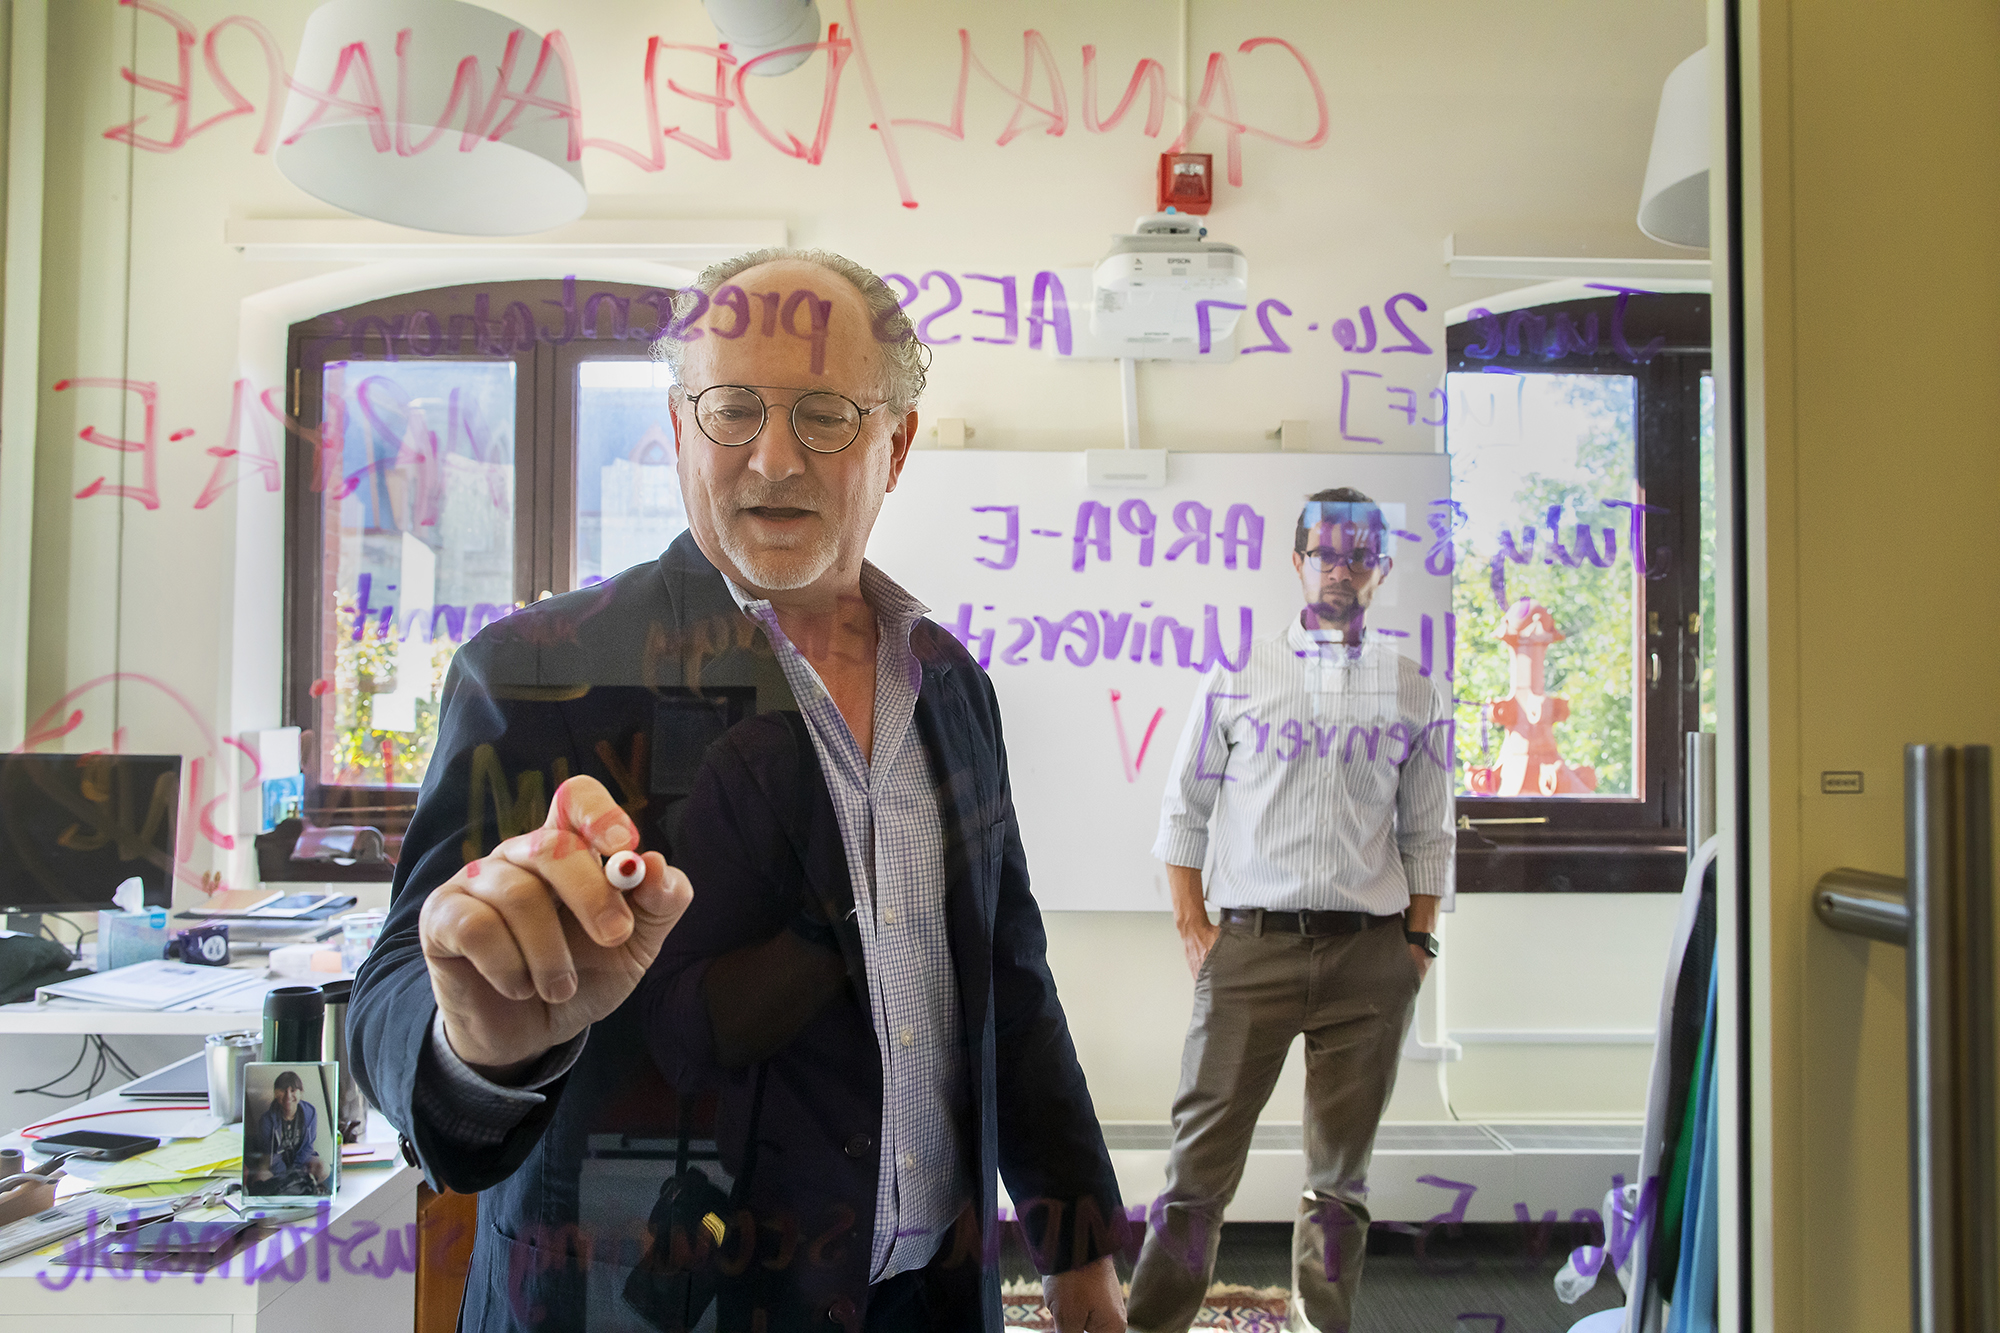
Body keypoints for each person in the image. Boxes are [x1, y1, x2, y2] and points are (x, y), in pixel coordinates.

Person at [348, 248, 1128, 1333]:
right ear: (676, 431)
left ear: (894, 443)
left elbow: (1010, 985)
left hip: (927, 1302)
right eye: (731, 411)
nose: (771, 459)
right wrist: (476, 1043)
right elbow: (392, 994)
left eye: (823, 413)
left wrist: (1078, 1257)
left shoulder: (951, 685)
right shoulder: (537, 674)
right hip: (651, 1302)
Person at [1124, 488, 1455, 1333]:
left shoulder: (1412, 691)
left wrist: (1415, 944)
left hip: (1368, 961)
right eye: (1325, 551)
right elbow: (1183, 812)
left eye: (1358, 556)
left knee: (1339, 1182)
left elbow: (1427, 831)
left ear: (1380, 570)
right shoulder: (1238, 673)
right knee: (1197, 1177)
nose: (1340, 568)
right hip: (1252, 952)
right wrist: (1195, 929)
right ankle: (1154, 1324)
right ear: (1298, 559)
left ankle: (1323, 1324)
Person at [248, 1069, 328, 1196]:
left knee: (325, 1168)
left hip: (301, 1160)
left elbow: (308, 1146)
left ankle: (308, 1189)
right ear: (275, 1093)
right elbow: (271, 1155)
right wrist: (287, 1176)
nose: (288, 1096)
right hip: (274, 1162)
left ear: (301, 1093)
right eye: (283, 1090)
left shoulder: (310, 1113)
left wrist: (297, 1170)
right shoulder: (266, 1120)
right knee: (259, 1177)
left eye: (293, 1090)